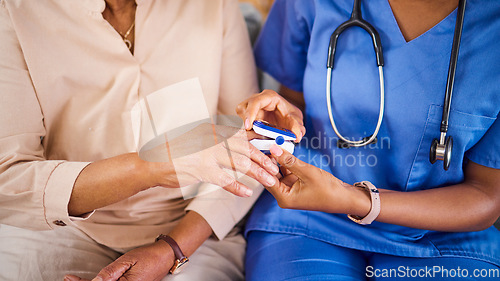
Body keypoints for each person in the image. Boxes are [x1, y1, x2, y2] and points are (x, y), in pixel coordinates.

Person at [0, 0, 279, 280]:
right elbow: (9, 177)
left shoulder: (214, 5)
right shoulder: (14, 11)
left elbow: (248, 149)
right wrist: (150, 168)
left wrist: (171, 249)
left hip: (192, 229)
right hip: (63, 229)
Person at [237, 0, 500, 280]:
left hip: (442, 236)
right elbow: (293, 100)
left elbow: (486, 193)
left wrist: (355, 200)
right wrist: (278, 125)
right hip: (309, 217)